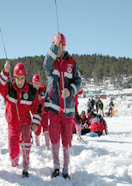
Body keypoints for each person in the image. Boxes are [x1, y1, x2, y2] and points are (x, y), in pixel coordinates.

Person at [43, 32, 81, 179]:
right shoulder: (51, 63)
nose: (58, 49)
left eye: (60, 46)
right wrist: (53, 47)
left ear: (64, 46)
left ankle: (66, 169)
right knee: (54, 138)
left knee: (66, 140)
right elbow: (46, 64)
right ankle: (56, 166)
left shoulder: (72, 62)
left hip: (68, 110)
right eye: (56, 46)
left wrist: (70, 90)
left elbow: (78, 81)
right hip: (53, 108)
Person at [0, 61, 41, 178]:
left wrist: (36, 123)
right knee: (12, 149)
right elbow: (0, 85)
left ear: (25, 77)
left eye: (22, 78)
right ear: (14, 77)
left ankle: (25, 165)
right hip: (12, 124)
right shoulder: (9, 88)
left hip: (25, 123)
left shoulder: (31, 91)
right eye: (17, 78)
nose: (20, 81)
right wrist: (5, 71)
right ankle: (14, 161)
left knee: (26, 141)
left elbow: (37, 107)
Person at [32, 74, 50, 150]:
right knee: (37, 130)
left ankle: (47, 144)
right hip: (36, 115)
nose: (36, 85)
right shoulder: (31, 92)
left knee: (46, 128)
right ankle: (37, 144)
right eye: (35, 84)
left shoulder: (43, 90)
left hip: (44, 114)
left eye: (37, 84)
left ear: (40, 83)